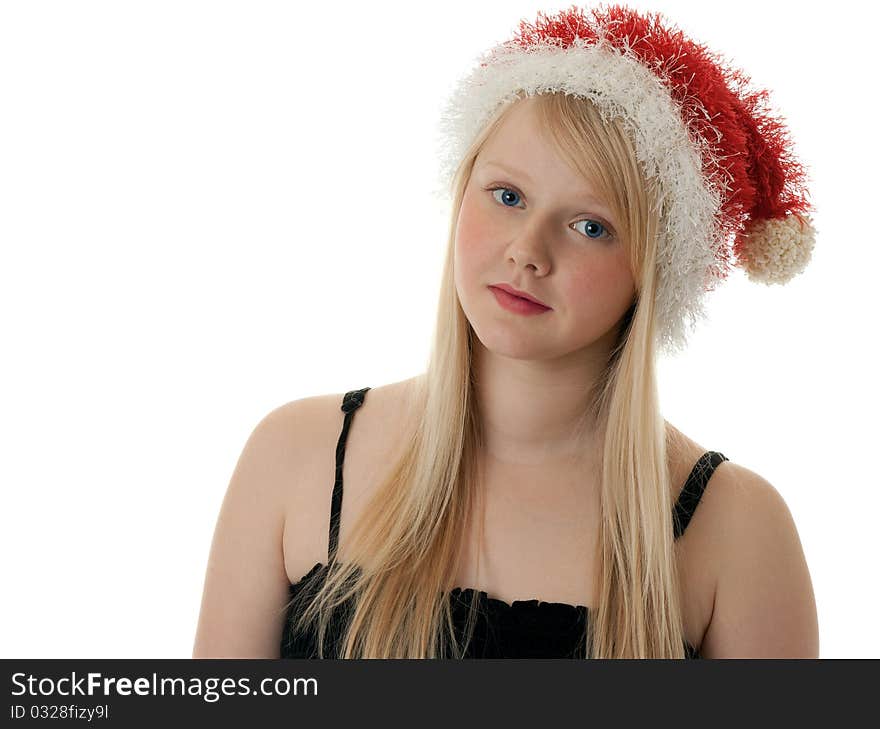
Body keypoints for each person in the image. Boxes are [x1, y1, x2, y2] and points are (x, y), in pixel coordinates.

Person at [193, 3, 819, 659]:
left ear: (654, 270)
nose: (528, 251)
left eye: (591, 226)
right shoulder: (299, 456)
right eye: (508, 195)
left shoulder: (738, 532)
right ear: (462, 191)